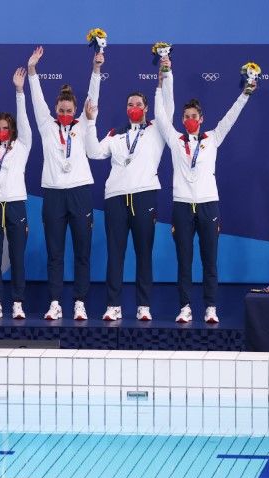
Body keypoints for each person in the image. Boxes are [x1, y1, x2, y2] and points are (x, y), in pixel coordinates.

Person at [155, 63, 256, 323]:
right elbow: (160, 115)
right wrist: (161, 80)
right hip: (182, 205)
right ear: (182, 120)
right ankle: (185, 307)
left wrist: (245, 94)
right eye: (186, 116)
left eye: (194, 116)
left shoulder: (213, 138)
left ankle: (211, 307)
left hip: (209, 205)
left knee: (209, 260)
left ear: (201, 119)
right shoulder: (175, 140)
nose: (189, 120)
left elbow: (231, 117)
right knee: (184, 260)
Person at [85, 57, 174, 322]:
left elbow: (168, 106)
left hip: (145, 195)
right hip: (115, 198)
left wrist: (164, 77)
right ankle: (113, 305)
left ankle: (143, 306)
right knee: (115, 254)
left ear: (146, 107)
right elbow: (93, 152)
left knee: (144, 253)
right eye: (130, 105)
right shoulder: (115, 134)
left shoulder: (157, 129)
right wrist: (90, 122)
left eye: (138, 104)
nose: (133, 108)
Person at [27, 46, 103, 321]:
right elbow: (37, 100)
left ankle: (80, 302)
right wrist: (32, 70)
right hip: (54, 195)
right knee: (55, 253)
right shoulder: (47, 126)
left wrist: (96, 69)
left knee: (82, 252)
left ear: (75, 110)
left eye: (69, 110)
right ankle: (55, 302)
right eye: (61, 110)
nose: (65, 113)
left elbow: (92, 98)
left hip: (80, 192)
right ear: (55, 109)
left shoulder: (83, 124)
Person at [0, 67, 33, 320]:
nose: (2, 130)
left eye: (6, 127)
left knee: (17, 257)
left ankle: (18, 303)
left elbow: (23, 120)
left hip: (15, 204)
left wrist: (19, 91)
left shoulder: (23, 145)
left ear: (12, 130)